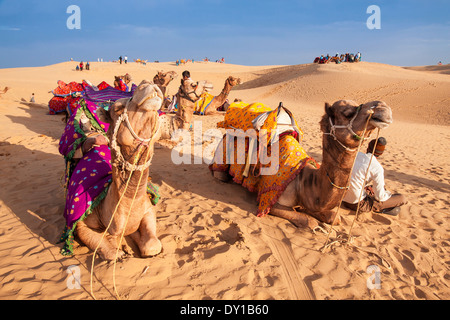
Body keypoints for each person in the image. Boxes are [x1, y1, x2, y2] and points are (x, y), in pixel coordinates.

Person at [342, 137, 408, 216]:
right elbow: (380, 197)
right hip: (356, 204)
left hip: (341, 197)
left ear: (368, 147)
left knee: (373, 187)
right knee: (402, 198)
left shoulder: (356, 155)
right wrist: (387, 194)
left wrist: (365, 187)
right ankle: (378, 208)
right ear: (381, 153)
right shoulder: (377, 167)